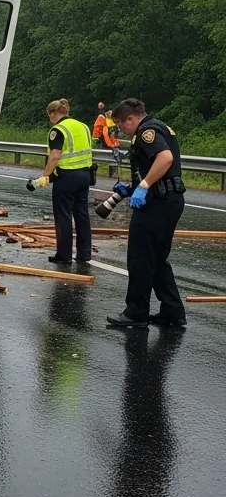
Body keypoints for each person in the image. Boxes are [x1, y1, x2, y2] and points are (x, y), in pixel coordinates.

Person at [106, 98, 187, 328]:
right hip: (169, 200)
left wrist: (143, 187)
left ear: (131, 118)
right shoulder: (160, 126)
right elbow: (156, 169)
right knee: (157, 258)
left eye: (121, 124)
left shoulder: (147, 131)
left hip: (156, 204)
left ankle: (136, 312)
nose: (120, 129)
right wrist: (132, 188)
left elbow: (165, 158)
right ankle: (172, 310)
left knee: (140, 257)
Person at [33, 98, 93, 265]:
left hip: (67, 177)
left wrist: (45, 175)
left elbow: (55, 155)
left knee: (63, 216)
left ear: (53, 113)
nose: (50, 119)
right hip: (85, 175)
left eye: (49, 116)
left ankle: (64, 255)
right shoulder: (83, 126)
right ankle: (84, 253)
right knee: (82, 214)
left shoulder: (58, 130)